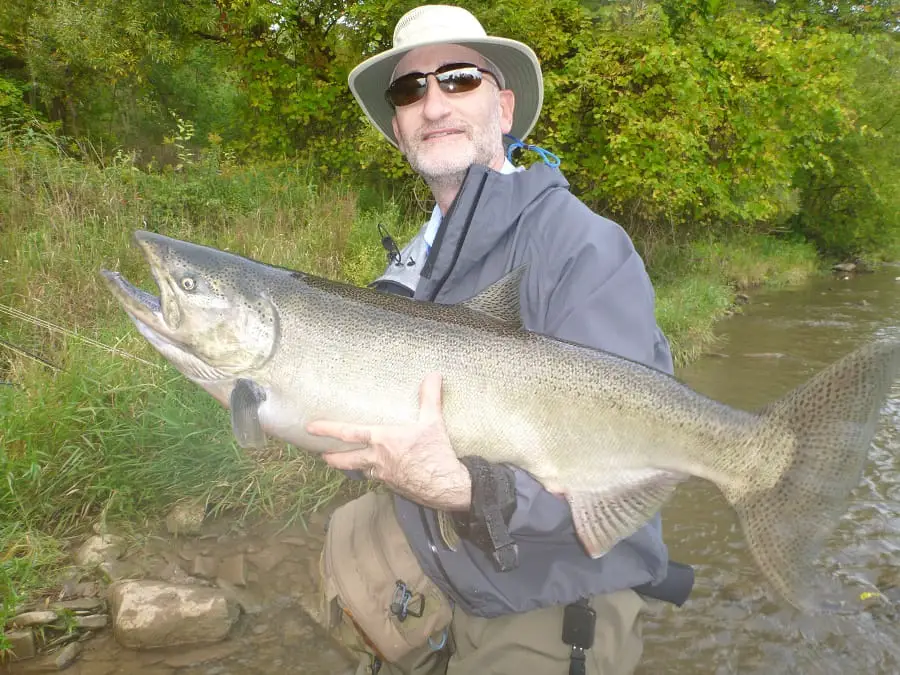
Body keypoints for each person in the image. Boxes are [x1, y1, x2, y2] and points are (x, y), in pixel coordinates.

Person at [306, 5, 685, 674]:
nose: (433, 102)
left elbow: (627, 461)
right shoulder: (414, 265)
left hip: (556, 593)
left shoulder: (584, 248)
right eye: (409, 89)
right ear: (397, 127)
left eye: (458, 79)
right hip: (450, 571)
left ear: (504, 108)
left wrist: (469, 489)